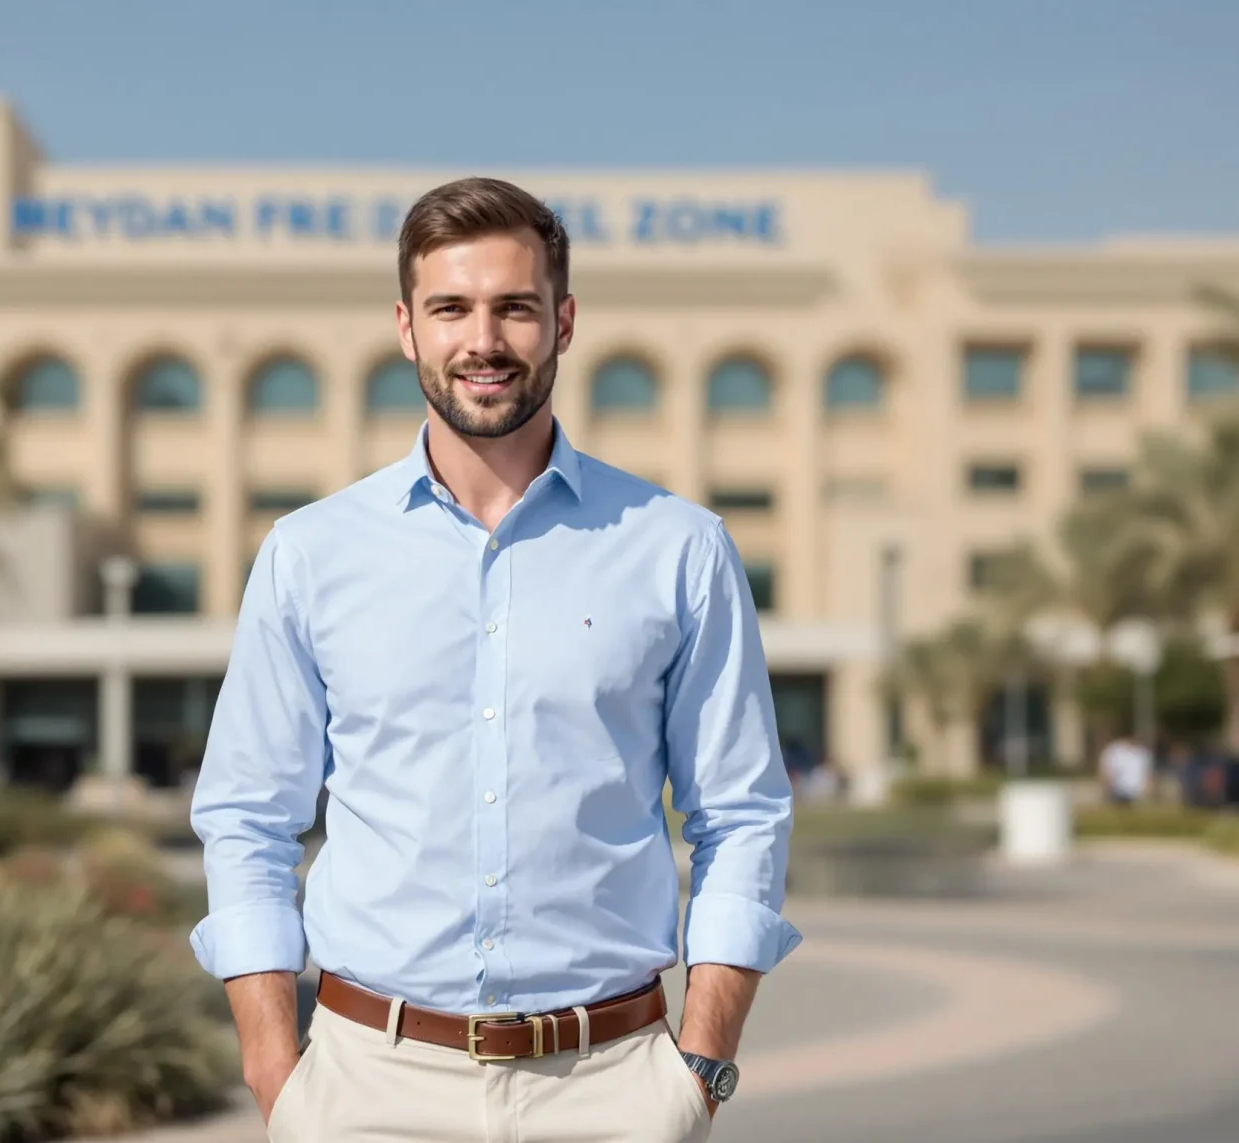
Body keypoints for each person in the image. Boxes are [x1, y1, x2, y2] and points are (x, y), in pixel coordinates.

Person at [188, 177, 799, 1142]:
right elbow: (248, 817)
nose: (484, 339)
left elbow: (741, 811)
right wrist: (277, 1071)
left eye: (514, 306)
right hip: (364, 1089)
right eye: (451, 309)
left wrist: (700, 1067)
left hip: (614, 1088)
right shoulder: (310, 554)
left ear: (562, 321)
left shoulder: (679, 548)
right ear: (405, 328)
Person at [1097, 732, 1151, 806]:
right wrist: (1107, 786)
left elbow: (1147, 772)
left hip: (1137, 792)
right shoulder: (1113, 751)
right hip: (1118, 790)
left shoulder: (1141, 752)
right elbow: (1105, 770)